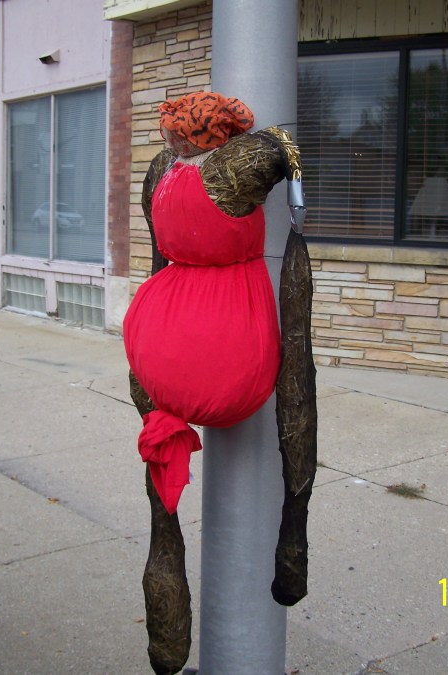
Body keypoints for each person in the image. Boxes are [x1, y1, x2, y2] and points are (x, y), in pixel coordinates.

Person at [124, 92, 317, 675]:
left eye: (175, 129)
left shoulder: (161, 171)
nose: (171, 139)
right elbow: (284, 149)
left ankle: (167, 639)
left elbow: (158, 258)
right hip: (226, 353)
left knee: (159, 493)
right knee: (295, 378)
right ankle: (292, 539)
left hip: (155, 344)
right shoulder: (240, 164)